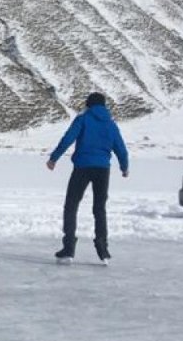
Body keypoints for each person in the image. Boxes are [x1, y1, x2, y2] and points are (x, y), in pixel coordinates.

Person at [46, 92, 129, 262]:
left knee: (71, 205)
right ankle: (103, 249)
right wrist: (124, 166)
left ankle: (68, 248)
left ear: (88, 104)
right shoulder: (110, 124)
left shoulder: (83, 119)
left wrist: (54, 158)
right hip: (102, 170)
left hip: (82, 167)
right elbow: (120, 146)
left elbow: (68, 138)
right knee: (99, 208)